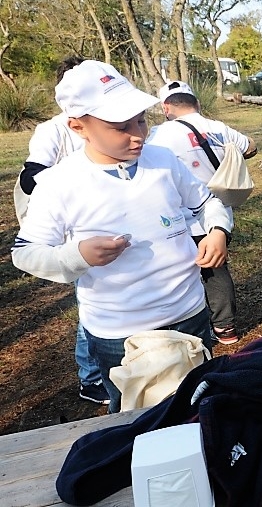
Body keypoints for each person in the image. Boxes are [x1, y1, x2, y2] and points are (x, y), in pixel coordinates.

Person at [11, 60, 234, 413]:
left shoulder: (163, 160)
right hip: (120, 332)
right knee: (134, 418)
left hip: (188, 312)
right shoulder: (58, 183)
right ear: (77, 126)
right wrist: (77, 255)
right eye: (121, 127)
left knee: (198, 405)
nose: (138, 134)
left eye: (141, 120)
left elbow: (207, 202)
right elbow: (25, 253)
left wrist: (218, 230)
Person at [15, 56, 110, 405]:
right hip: (76, 234)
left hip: (109, 224)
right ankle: (91, 376)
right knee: (91, 303)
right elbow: (30, 177)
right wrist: (77, 183)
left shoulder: (108, 120)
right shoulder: (52, 130)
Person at [146, 80, 258, 345]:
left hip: (180, 217)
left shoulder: (159, 135)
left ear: (166, 108)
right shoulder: (219, 128)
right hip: (219, 214)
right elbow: (251, 147)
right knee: (216, 269)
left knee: (182, 273)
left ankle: (185, 328)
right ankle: (225, 327)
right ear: (196, 103)